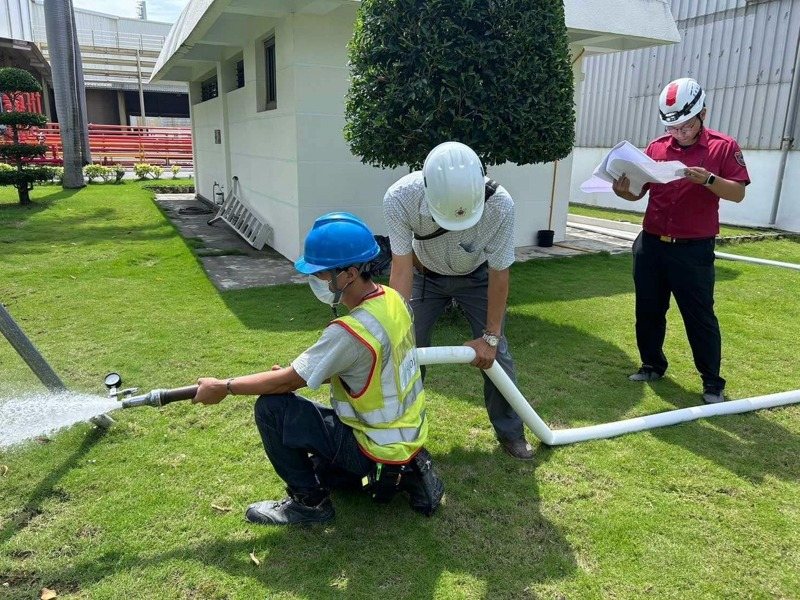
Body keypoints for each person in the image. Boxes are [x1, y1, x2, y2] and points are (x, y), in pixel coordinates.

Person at [193, 212, 443, 525]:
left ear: (350, 273)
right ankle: (406, 471)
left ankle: (309, 504)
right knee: (324, 466)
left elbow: (286, 382)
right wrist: (294, 376)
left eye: (322, 273)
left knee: (271, 407)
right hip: (405, 436)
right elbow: (374, 367)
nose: (318, 280)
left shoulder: (351, 332)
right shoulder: (393, 300)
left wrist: (223, 386)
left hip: (370, 445)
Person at [383, 141, 533, 460]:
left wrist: (490, 337)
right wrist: (395, 323)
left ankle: (511, 432)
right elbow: (401, 265)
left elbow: (500, 272)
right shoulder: (400, 198)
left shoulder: (501, 205)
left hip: (478, 278)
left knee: (498, 355)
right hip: (424, 277)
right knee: (406, 350)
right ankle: (401, 432)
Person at [612, 77, 749, 404]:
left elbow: (739, 193)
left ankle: (712, 382)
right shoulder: (657, 148)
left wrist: (710, 179)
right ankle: (651, 365)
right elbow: (638, 192)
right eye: (674, 128)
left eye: (687, 126)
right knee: (648, 309)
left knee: (699, 315)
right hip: (651, 244)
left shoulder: (722, 147)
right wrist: (623, 191)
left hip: (693, 249)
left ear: (703, 113)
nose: (681, 133)